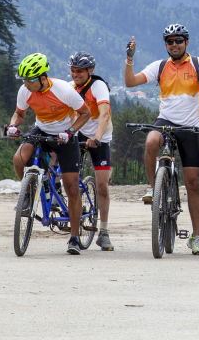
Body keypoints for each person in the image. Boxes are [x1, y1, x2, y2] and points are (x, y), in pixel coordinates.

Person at [124, 23, 199, 255]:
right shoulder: (161, 65)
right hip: (165, 120)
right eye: (170, 41)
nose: (174, 45)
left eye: (178, 41)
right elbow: (131, 82)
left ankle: (196, 236)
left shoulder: (198, 63)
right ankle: (152, 187)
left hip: (189, 126)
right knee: (150, 142)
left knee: (193, 183)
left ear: (186, 42)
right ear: (165, 44)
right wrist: (129, 59)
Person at [6, 52, 91, 255]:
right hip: (42, 130)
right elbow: (19, 113)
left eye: (31, 80)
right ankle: (28, 193)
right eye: (24, 80)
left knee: (71, 186)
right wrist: (12, 126)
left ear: (43, 78)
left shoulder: (63, 90)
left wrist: (70, 132)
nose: (27, 84)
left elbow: (86, 113)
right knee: (19, 158)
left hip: (65, 135)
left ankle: (74, 237)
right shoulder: (25, 90)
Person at [68, 51, 114, 252]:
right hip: (77, 132)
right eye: (73, 70)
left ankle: (103, 232)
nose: (75, 74)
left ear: (90, 71)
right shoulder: (69, 87)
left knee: (102, 185)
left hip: (100, 136)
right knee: (69, 179)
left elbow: (104, 115)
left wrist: (95, 137)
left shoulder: (99, 86)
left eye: (80, 71)